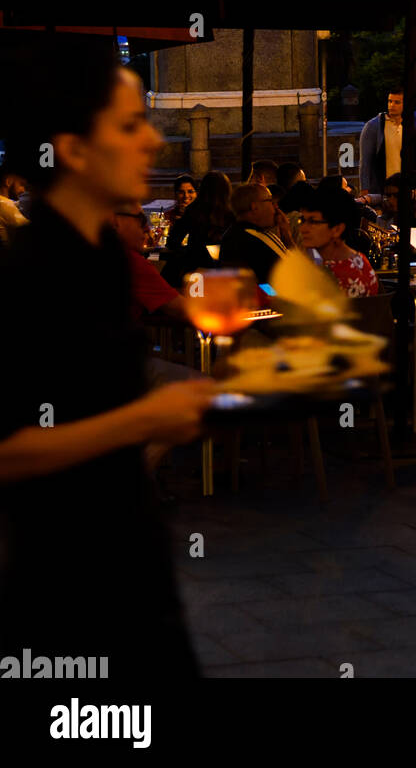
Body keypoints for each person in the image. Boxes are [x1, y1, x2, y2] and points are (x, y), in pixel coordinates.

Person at [0, 39, 215, 675]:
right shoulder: (34, 271)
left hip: (129, 557)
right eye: (129, 125)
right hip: (66, 587)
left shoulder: (103, 259)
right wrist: (147, 419)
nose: (152, 141)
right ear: (72, 150)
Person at [297, 185, 379, 297]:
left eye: (313, 222)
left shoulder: (349, 274)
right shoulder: (321, 260)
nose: (303, 229)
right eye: (303, 220)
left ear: (337, 229)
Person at [113, 201, 187, 322]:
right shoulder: (130, 262)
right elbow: (180, 308)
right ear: (116, 222)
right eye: (141, 220)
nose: (147, 229)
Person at [164, 170, 233, 287]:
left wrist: (189, 251)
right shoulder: (233, 212)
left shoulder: (193, 210)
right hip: (226, 272)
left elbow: (173, 241)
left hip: (196, 271)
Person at [218, 181, 290, 284]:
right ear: (254, 207)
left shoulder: (248, 234)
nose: (276, 207)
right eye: (270, 201)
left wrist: (285, 234)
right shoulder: (248, 241)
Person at [359, 88, 407, 201]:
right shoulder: (374, 126)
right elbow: (365, 161)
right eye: (390, 101)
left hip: (404, 187)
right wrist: (365, 189)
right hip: (381, 188)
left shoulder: (409, 126)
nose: (392, 105)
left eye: (397, 102)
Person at [0, 168, 28, 246]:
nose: (23, 190)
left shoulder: (4, 202)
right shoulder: (4, 204)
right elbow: (29, 228)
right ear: (8, 182)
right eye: (21, 184)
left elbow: (14, 204)